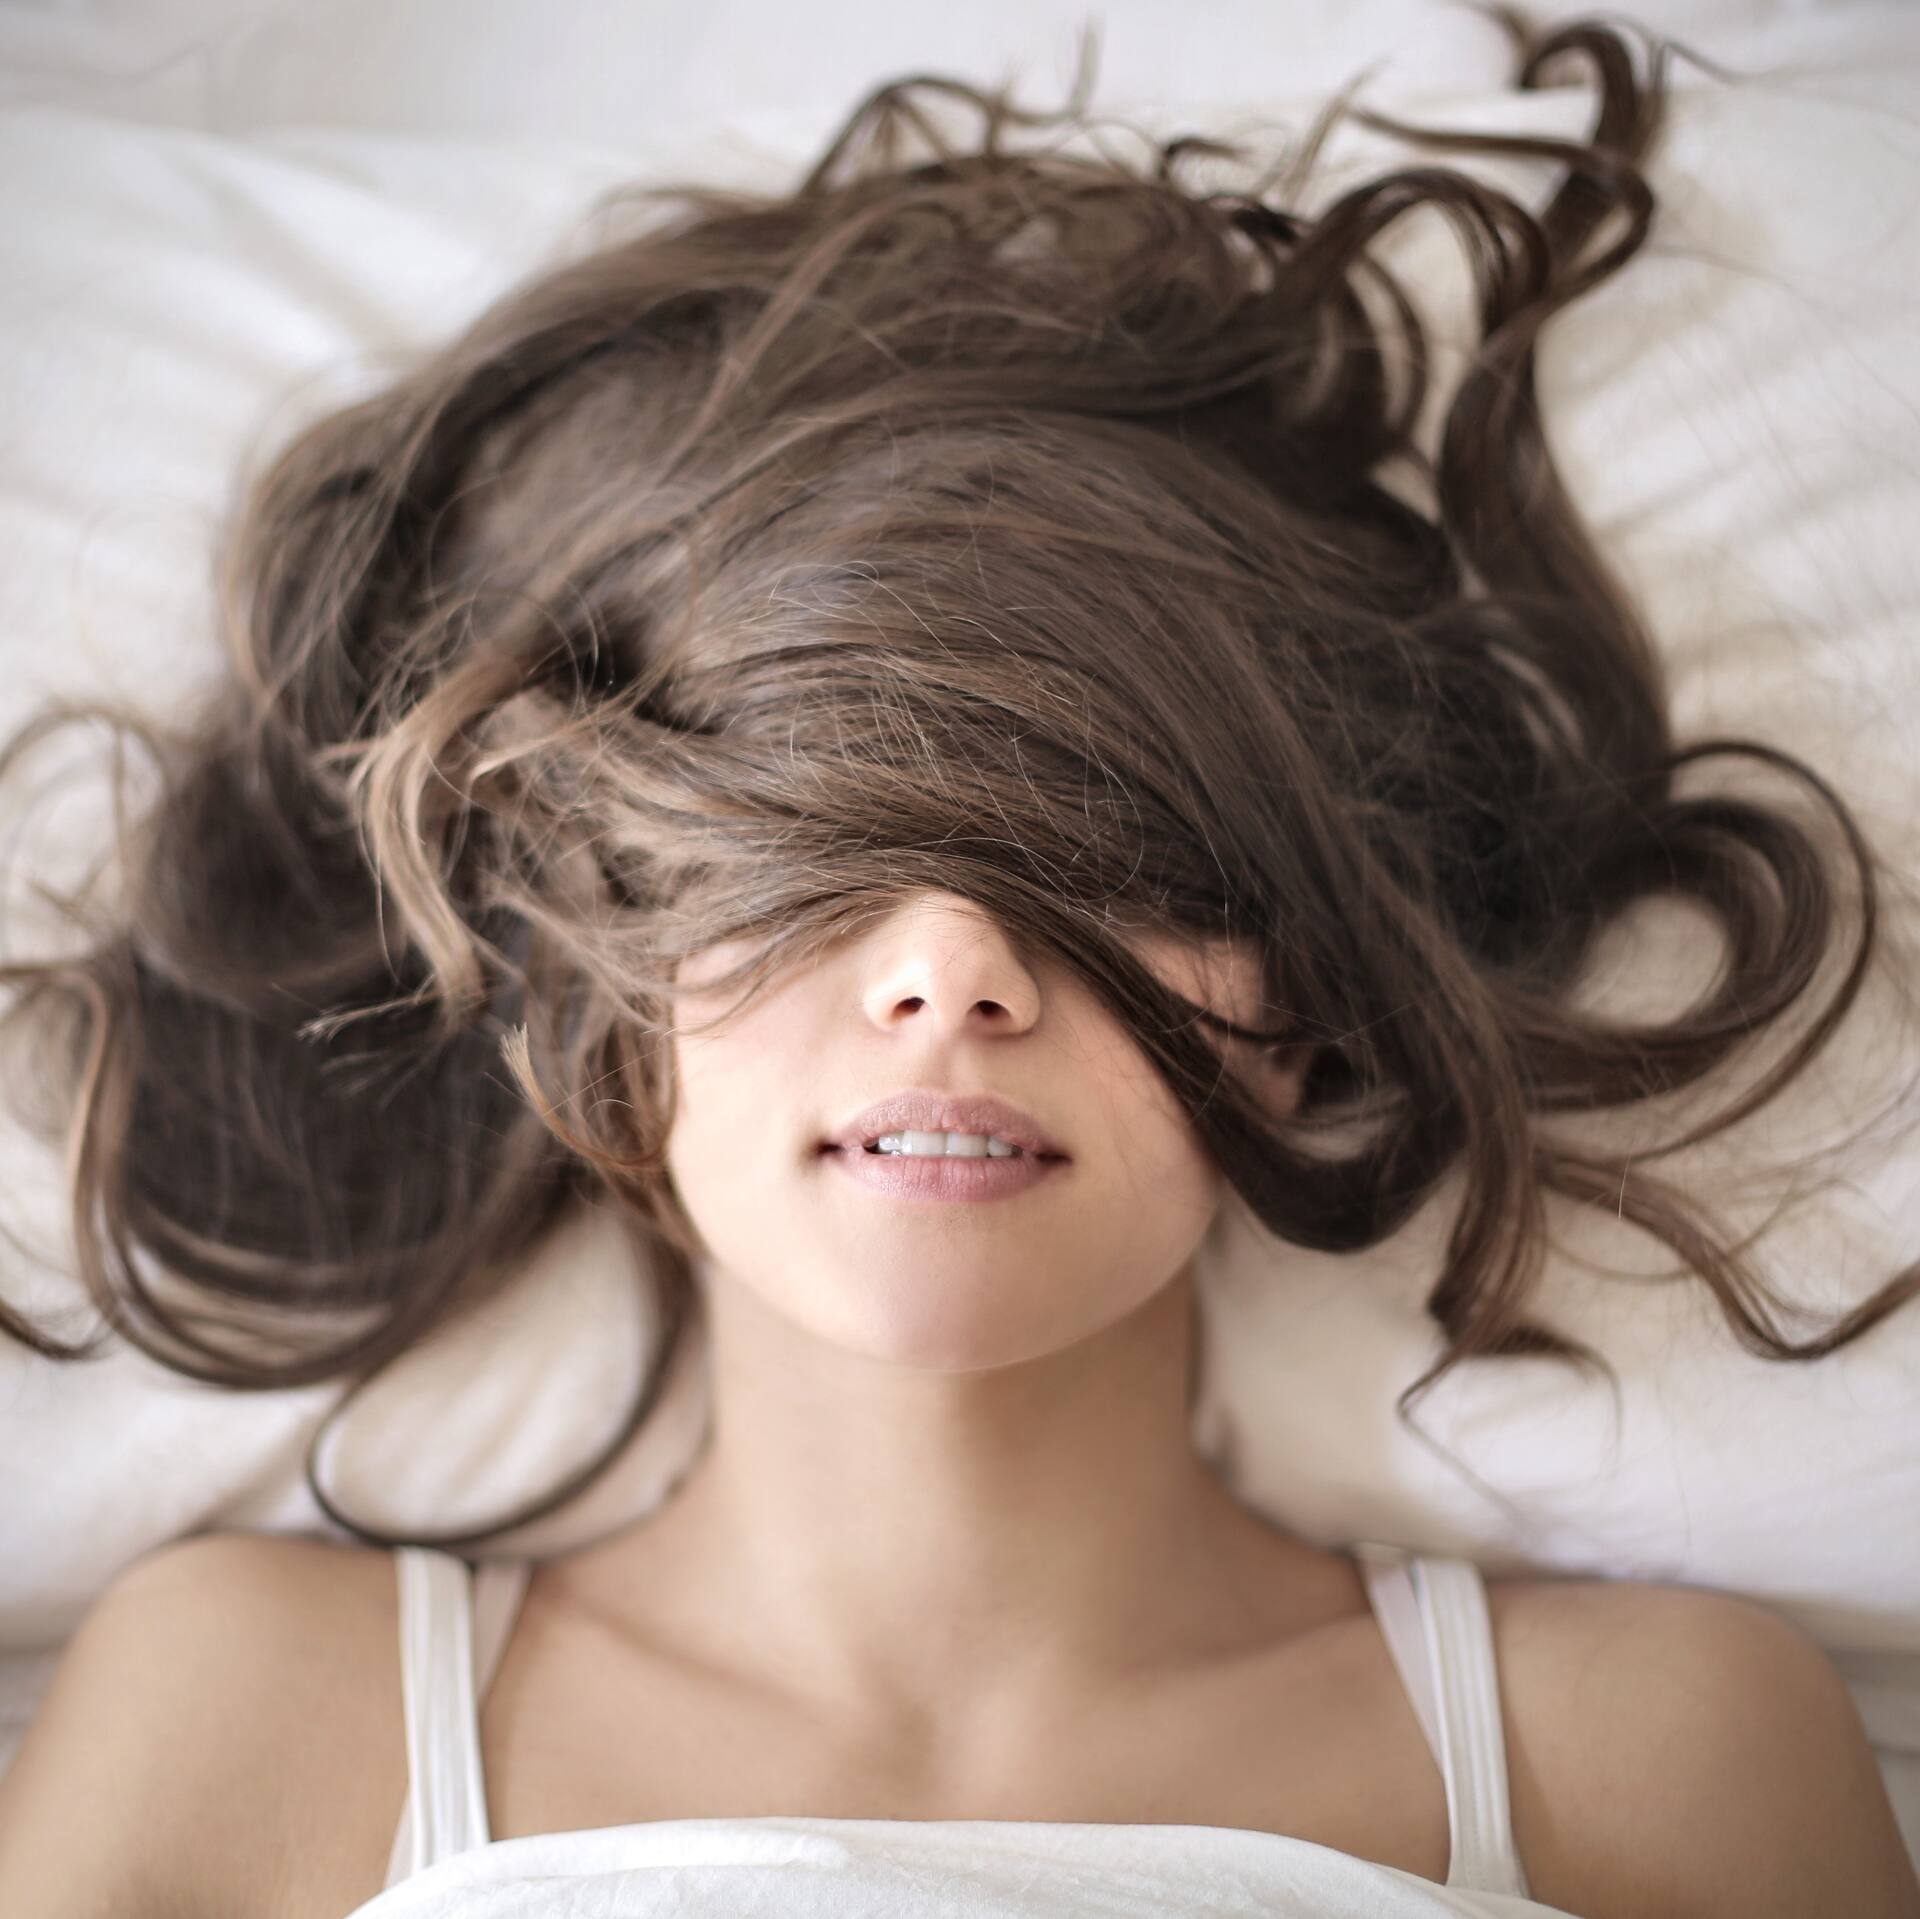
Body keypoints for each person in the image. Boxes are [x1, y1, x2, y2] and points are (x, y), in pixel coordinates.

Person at [0, 8, 1917, 1916]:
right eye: (812, 865)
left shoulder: (1662, 1756)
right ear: (602, 976)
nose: (952, 977)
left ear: (1315, 989)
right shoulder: (252, 1716)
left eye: (1111, 858)